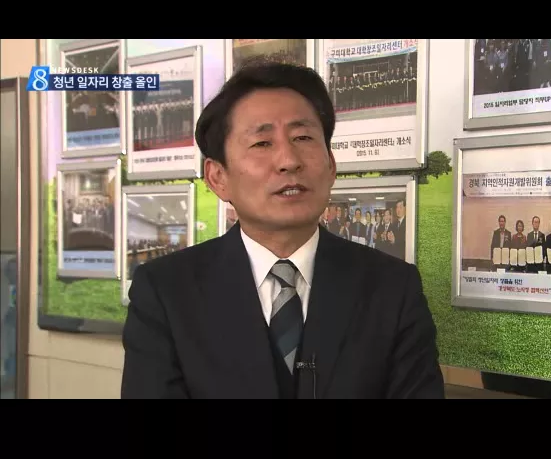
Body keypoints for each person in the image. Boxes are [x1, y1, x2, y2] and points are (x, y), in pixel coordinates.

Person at [120, 61, 444, 399]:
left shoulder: (392, 287)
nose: (289, 160)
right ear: (218, 177)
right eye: (262, 143)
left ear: (331, 165)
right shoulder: (166, 292)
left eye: (303, 137)